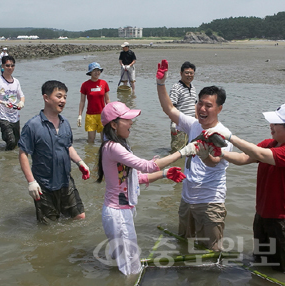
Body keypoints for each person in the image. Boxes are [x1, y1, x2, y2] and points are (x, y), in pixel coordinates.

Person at [96, 101, 197, 275]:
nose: (131, 123)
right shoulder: (113, 148)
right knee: (131, 269)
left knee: (123, 262)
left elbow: (138, 177)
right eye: (127, 120)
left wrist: (165, 173)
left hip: (119, 212)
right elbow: (147, 166)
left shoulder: (118, 146)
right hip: (118, 214)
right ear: (114, 124)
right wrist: (183, 151)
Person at [205, 103, 285, 272]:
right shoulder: (270, 144)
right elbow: (243, 158)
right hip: (262, 216)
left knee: (284, 270)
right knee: (261, 262)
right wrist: (219, 153)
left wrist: (229, 136)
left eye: (275, 124)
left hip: (284, 221)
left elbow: (259, 154)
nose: (271, 126)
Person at [156, 59, 233, 251]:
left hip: (210, 201)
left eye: (208, 105)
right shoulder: (193, 124)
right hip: (187, 198)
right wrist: (160, 82)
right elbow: (169, 109)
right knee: (184, 245)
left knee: (212, 251)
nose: (202, 109)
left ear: (219, 109)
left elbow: (215, 162)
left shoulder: (224, 135)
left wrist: (204, 154)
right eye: (200, 103)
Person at [18, 80, 91, 224]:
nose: (63, 100)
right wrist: (31, 182)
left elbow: (68, 146)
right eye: (59, 96)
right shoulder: (33, 125)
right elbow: (23, 154)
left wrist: (80, 162)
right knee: (48, 226)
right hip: (43, 184)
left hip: (65, 180)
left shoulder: (65, 123)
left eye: (65, 97)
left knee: (79, 217)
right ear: (46, 98)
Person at [0, 55, 25, 150]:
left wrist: (21, 102)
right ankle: (5, 160)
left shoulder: (16, 81)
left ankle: (12, 160)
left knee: (17, 142)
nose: (10, 68)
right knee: (11, 141)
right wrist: (2, 102)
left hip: (15, 115)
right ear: (2, 66)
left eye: (12, 65)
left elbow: (21, 96)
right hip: (2, 116)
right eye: (7, 65)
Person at [78, 62, 110, 143]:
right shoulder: (85, 85)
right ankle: (90, 155)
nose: (97, 72)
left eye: (98, 70)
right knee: (91, 140)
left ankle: (104, 155)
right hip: (90, 115)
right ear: (90, 72)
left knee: (104, 140)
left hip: (103, 115)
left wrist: (110, 114)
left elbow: (107, 100)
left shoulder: (104, 83)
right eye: (94, 71)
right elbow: (82, 101)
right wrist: (80, 115)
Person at [169, 61, 197, 153]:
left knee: (190, 151)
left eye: (191, 73)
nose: (189, 75)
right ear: (181, 74)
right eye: (186, 73)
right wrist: (174, 123)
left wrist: (199, 122)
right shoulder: (176, 87)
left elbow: (195, 106)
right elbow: (172, 106)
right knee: (178, 151)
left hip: (192, 125)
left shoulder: (193, 88)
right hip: (179, 125)